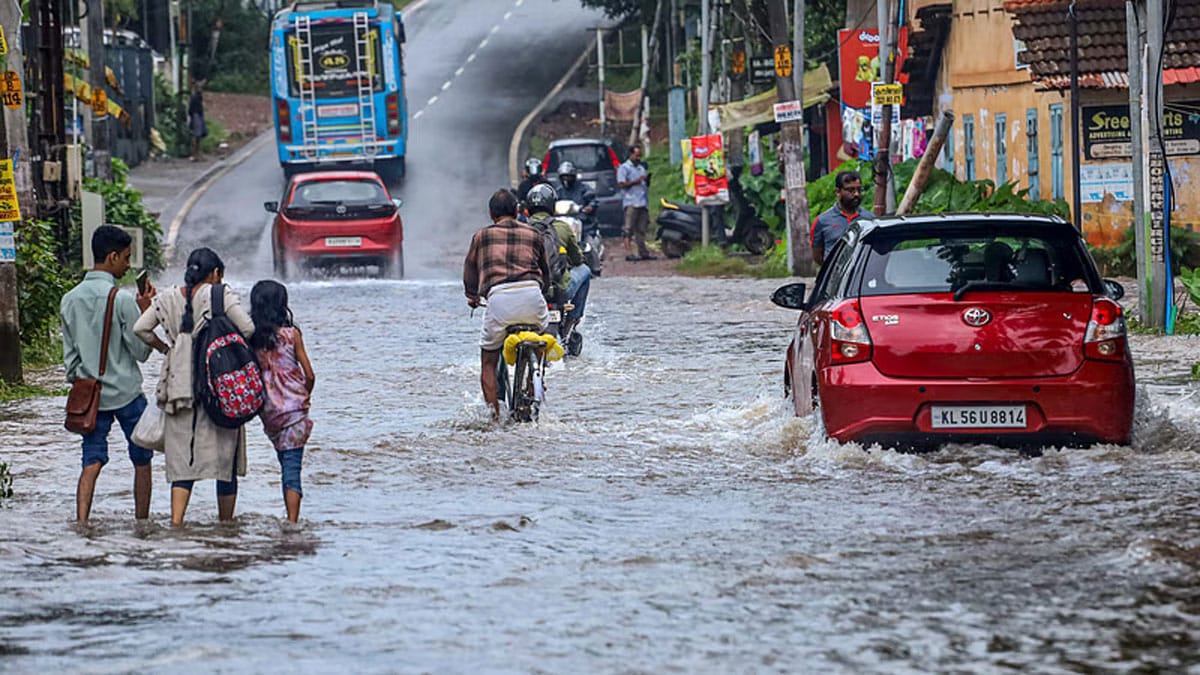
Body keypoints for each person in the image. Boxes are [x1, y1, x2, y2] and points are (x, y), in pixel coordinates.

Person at [134, 248, 254, 526]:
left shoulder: (165, 298)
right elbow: (247, 328)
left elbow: (141, 328)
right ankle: (226, 526)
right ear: (215, 274)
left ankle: (177, 523)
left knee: (182, 461)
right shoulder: (220, 295)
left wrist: (167, 348)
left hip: (178, 385)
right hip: (218, 382)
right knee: (225, 463)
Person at [61, 226, 164, 523]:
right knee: (142, 459)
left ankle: (81, 522)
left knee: (91, 460)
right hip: (127, 394)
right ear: (112, 256)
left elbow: (70, 358)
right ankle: (142, 523)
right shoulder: (120, 300)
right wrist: (145, 312)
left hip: (90, 396)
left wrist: (84, 379)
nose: (128, 265)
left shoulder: (69, 299)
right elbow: (140, 351)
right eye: (127, 258)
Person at [463, 189, 550, 419]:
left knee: (489, 360)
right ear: (518, 211)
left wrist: (472, 295)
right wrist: (543, 291)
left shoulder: (481, 236)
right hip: (532, 296)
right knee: (540, 340)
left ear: (491, 214)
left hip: (499, 300)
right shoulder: (533, 234)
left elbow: (470, 268)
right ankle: (534, 383)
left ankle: (493, 417)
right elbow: (545, 271)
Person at [250, 280, 315, 523]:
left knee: (284, 462)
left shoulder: (252, 338)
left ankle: (290, 520)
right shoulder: (291, 336)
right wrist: (303, 395)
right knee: (292, 469)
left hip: (268, 413)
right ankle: (292, 523)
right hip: (294, 413)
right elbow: (309, 374)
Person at [526, 183, 591, 340]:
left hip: (529, 290)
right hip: (559, 289)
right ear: (552, 205)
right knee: (586, 271)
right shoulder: (563, 227)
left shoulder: (521, 229)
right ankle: (572, 320)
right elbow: (576, 259)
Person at [810, 170, 876, 263]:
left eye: (859, 190)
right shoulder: (822, 221)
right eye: (850, 190)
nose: (856, 194)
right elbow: (817, 254)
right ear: (838, 192)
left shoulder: (870, 219)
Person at [616, 146, 656, 262]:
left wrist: (646, 181)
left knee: (641, 229)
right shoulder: (624, 168)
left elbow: (644, 184)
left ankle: (643, 252)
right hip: (631, 202)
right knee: (628, 229)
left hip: (642, 202)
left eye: (640, 155)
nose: (638, 158)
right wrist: (636, 181)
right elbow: (621, 184)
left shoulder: (641, 168)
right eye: (636, 155)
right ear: (630, 155)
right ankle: (629, 253)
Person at [188, 79, 207, 161]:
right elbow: (191, 109)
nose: (201, 89)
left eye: (201, 88)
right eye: (199, 87)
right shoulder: (195, 97)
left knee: (199, 136)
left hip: (199, 115)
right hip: (196, 116)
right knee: (196, 135)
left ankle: (197, 154)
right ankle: (194, 154)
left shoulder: (199, 96)